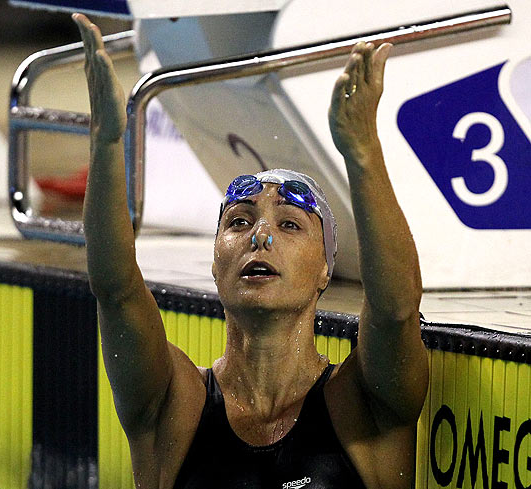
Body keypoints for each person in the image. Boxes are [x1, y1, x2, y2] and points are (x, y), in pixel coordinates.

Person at [73, 12, 429, 489]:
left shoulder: (361, 406)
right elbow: (116, 290)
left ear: (327, 267)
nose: (260, 236)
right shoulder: (175, 404)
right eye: (239, 222)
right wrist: (106, 141)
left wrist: (361, 150)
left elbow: (397, 309)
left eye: (289, 224)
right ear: (215, 264)